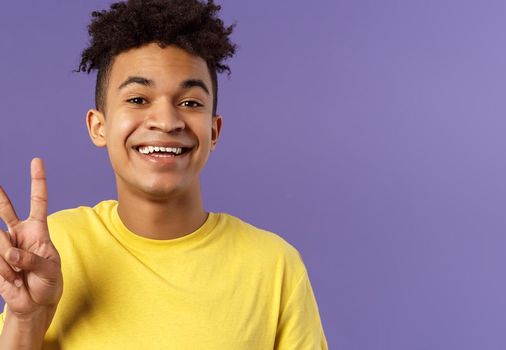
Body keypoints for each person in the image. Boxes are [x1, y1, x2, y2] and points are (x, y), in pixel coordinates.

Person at [0, 0, 328, 348]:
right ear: (99, 127)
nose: (167, 121)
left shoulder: (275, 265)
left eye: (190, 103)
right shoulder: (55, 249)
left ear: (213, 132)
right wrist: (27, 319)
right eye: (138, 99)